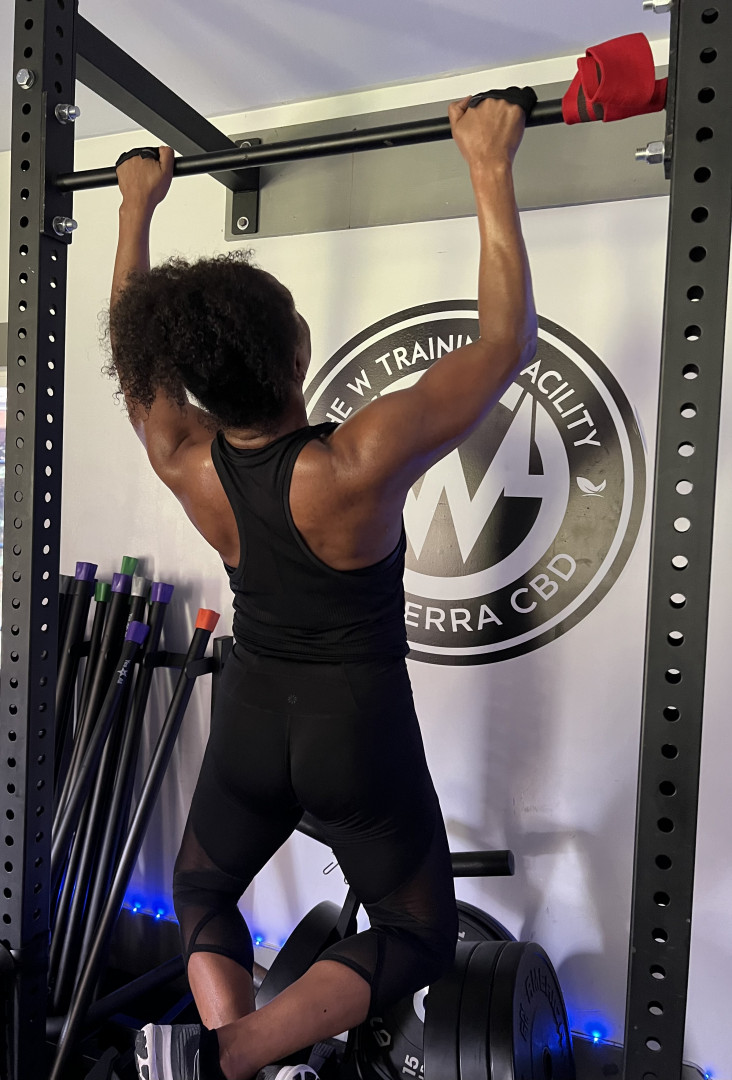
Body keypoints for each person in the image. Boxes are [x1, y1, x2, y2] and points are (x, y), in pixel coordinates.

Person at [109, 91, 536, 1080]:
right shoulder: (356, 460)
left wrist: (134, 208)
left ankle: (226, 1058)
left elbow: (136, 352)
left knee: (202, 891)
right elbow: (503, 346)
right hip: (357, 725)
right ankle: (238, 1053)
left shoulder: (182, 455)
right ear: (298, 354)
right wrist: (487, 162)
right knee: (418, 934)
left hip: (253, 715)